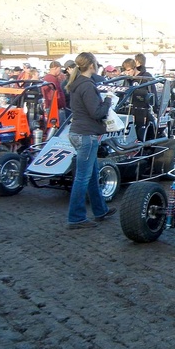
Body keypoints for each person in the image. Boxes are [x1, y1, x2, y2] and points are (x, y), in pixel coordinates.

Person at [64, 52, 115, 230]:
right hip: (87, 135)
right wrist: (108, 100)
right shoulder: (87, 85)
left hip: (78, 132)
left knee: (92, 174)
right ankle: (76, 217)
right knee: (83, 178)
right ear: (92, 66)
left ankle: (100, 210)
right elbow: (97, 112)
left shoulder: (76, 84)